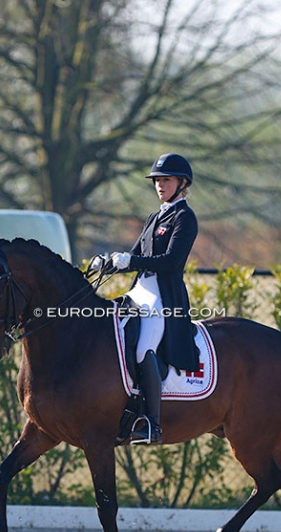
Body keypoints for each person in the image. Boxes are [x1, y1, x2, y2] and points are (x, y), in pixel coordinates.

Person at [111, 153, 200, 445]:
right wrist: (110, 262)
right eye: (158, 181)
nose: (160, 185)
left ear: (181, 183)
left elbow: (172, 261)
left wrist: (131, 261)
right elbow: (136, 252)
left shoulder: (184, 218)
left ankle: (151, 423)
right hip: (140, 292)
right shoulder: (155, 217)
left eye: (167, 180)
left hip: (164, 298)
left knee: (143, 348)